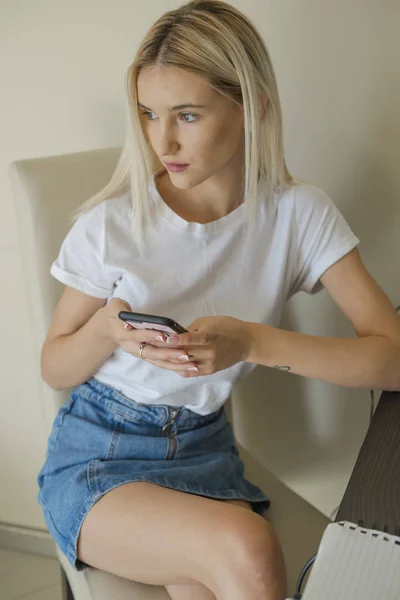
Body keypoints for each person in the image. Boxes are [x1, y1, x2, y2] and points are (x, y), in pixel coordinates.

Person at [36, 1, 400, 599]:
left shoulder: (297, 215)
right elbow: (54, 366)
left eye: (187, 115)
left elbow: (390, 358)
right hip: (99, 455)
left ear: (250, 105)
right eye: (149, 114)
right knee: (249, 547)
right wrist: (106, 329)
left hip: (207, 452)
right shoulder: (112, 225)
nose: (163, 140)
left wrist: (254, 341)